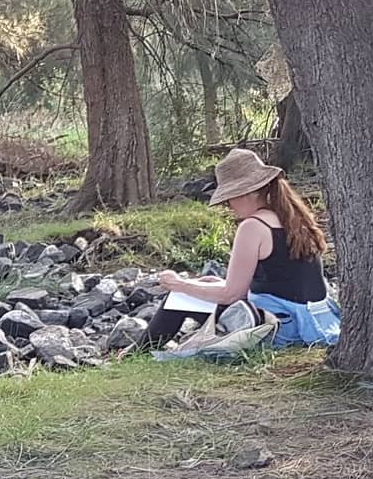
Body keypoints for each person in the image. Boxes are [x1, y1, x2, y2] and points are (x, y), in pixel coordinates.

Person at [144, 148, 340, 350]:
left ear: (244, 193)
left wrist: (179, 284)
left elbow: (232, 295)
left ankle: (138, 351)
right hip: (314, 322)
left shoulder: (253, 226)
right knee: (207, 282)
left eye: (229, 198)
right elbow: (282, 283)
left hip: (281, 329)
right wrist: (199, 284)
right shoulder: (293, 218)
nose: (229, 205)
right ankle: (138, 350)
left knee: (180, 296)